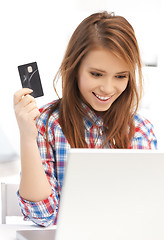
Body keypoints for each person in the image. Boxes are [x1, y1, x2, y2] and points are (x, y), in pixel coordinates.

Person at [13, 11, 157, 227]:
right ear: (75, 68)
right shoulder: (47, 124)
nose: (108, 88)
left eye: (121, 76)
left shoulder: (141, 130)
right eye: (97, 74)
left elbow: (145, 213)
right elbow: (43, 214)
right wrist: (27, 136)